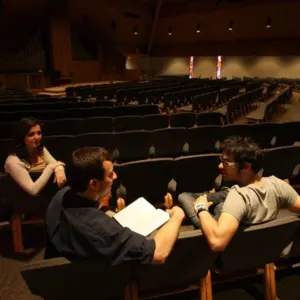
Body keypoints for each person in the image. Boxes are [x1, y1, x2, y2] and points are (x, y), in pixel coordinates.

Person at [45, 147, 185, 265]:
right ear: (93, 184)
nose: (115, 177)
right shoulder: (101, 230)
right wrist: (177, 216)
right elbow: (158, 253)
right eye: (110, 174)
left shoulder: (61, 196)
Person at [192, 136, 300, 252]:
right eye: (221, 160)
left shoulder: (238, 195)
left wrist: (201, 208)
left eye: (226, 162)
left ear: (246, 167)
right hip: (268, 253)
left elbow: (217, 243)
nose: (220, 166)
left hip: (233, 262)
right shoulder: (277, 184)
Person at [4, 117, 66, 196]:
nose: (37, 137)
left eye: (39, 133)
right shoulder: (13, 161)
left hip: (44, 196)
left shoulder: (39, 149)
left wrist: (59, 169)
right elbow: (33, 190)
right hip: (23, 201)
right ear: (22, 137)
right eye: (31, 134)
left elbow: (55, 163)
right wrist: (50, 167)